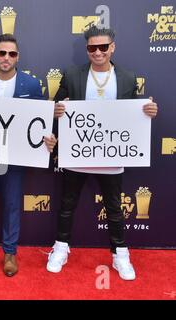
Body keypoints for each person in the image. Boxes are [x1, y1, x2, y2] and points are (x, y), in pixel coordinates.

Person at [47, 26, 158, 280]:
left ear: (112, 48)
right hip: (77, 154)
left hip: (112, 155)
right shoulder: (73, 75)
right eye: (92, 48)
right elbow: (56, 106)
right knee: (67, 205)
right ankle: (61, 248)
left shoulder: (128, 78)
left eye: (103, 47)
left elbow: (134, 115)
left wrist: (148, 112)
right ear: (87, 50)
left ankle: (120, 254)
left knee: (115, 208)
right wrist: (56, 112)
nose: (98, 52)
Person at [0, 34, 57, 277]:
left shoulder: (31, 84)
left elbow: (39, 123)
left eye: (12, 54)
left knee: (11, 204)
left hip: (16, 156)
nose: (7, 58)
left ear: (18, 57)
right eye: (2, 52)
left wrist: (48, 138)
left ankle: (9, 251)